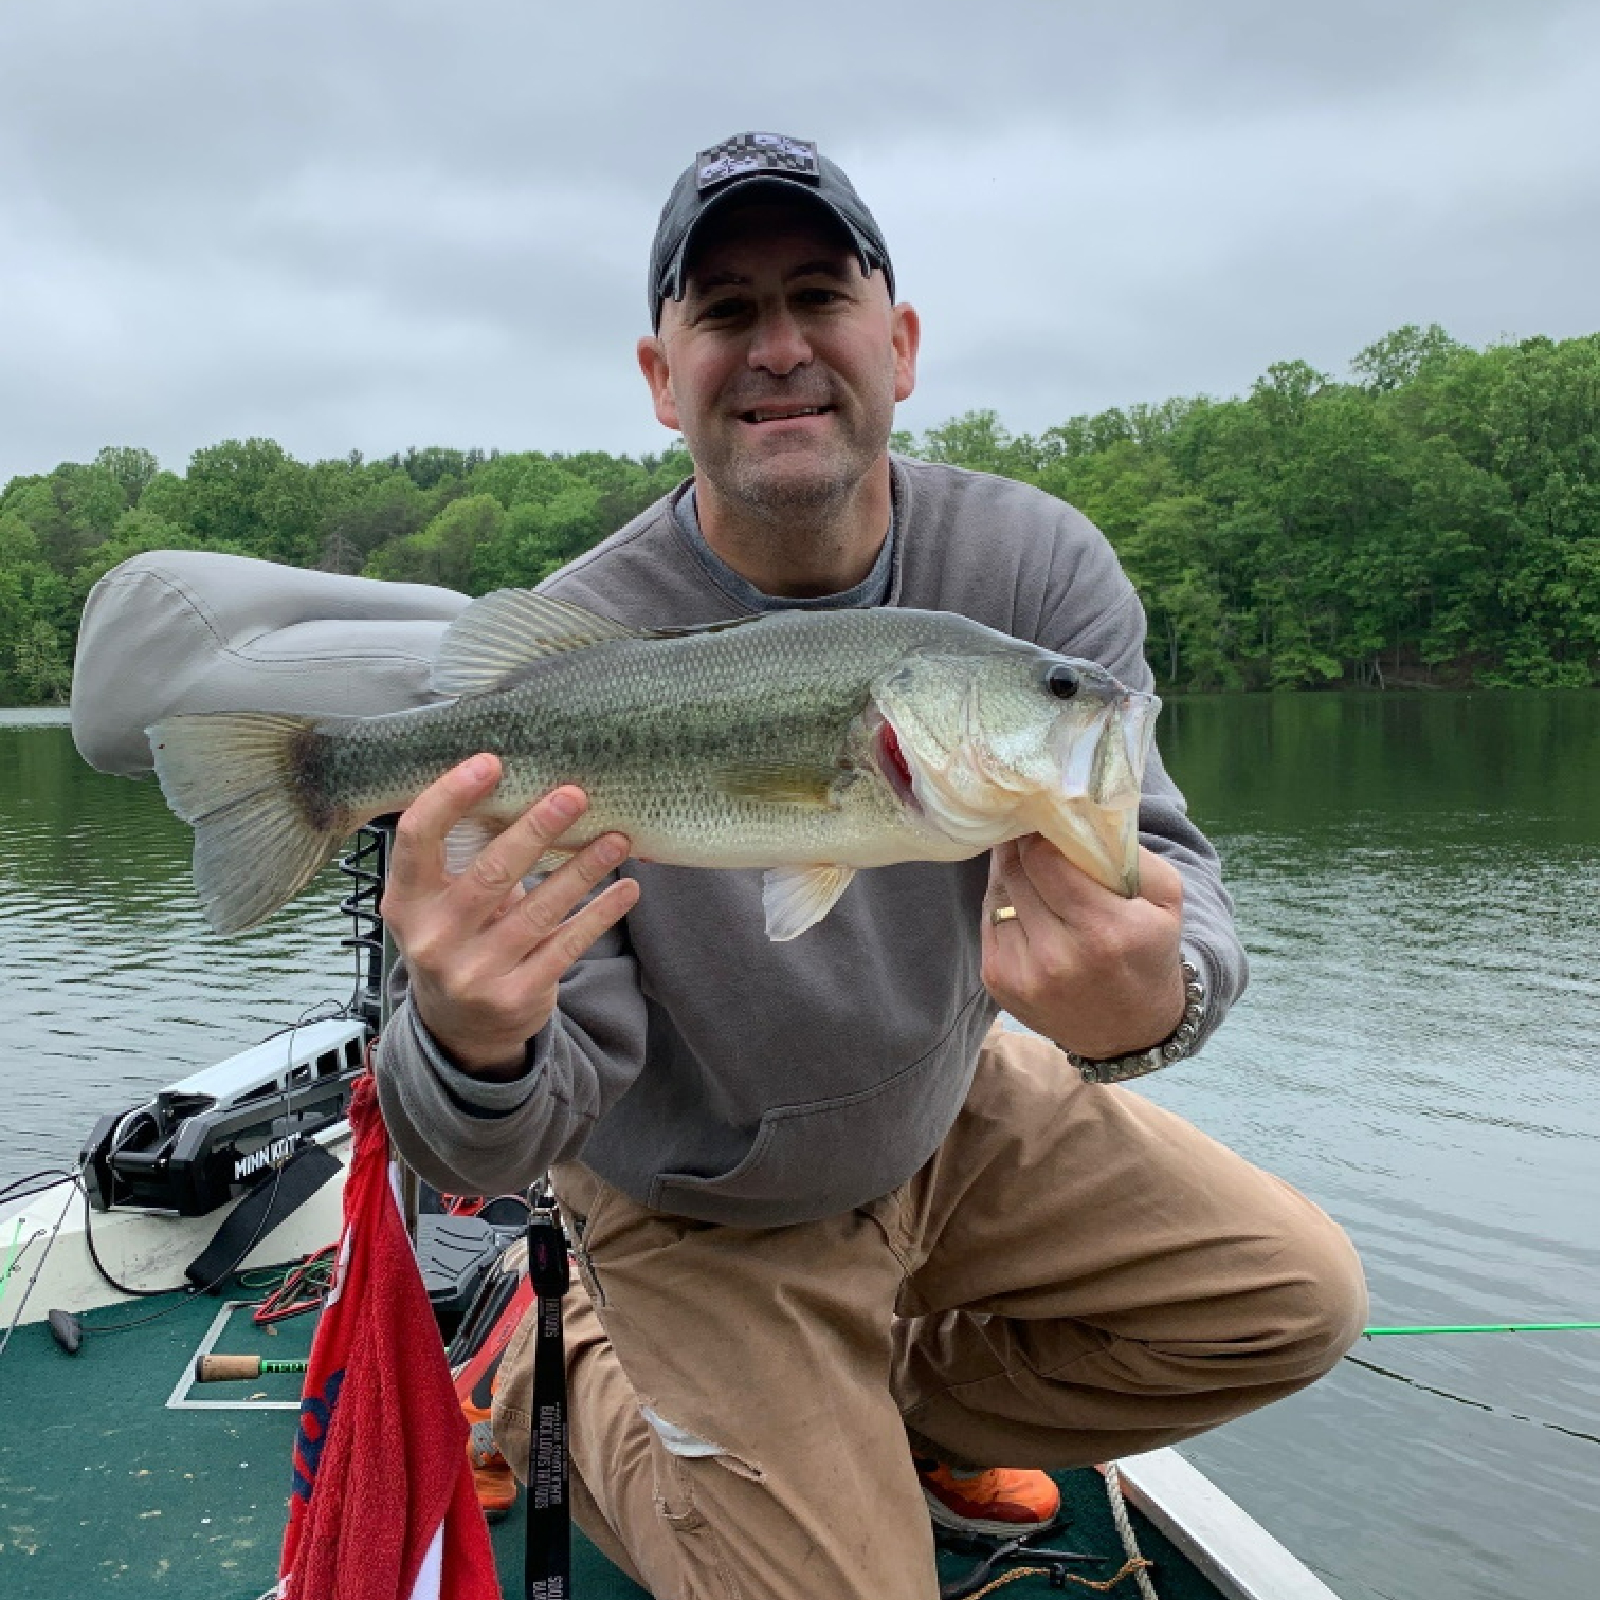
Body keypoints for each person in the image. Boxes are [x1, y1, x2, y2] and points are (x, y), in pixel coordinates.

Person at [372, 131, 1367, 1600]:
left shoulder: (1029, 573)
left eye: (820, 297)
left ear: (897, 344)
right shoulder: (583, 656)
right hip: (708, 1199)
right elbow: (484, 1145)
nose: (779, 347)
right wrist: (465, 1037)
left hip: (941, 1110)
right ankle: (563, 1381)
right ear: (661, 377)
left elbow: (1163, 867)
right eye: (725, 310)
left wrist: (1154, 1000)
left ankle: (874, 1407)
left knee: (1294, 1300)